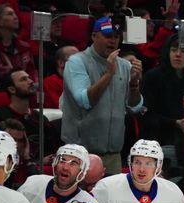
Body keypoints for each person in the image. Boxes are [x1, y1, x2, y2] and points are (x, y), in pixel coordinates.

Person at [61, 17, 144, 176]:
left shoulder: (125, 65)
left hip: (113, 155)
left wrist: (134, 84)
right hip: (81, 152)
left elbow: (134, 106)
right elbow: (85, 101)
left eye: (116, 36)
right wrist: (108, 74)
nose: (112, 41)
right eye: (107, 36)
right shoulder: (77, 62)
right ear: (93, 36)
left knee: (110, 200)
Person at [142, 35, 184, 174]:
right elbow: (146, 115)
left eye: (183, 51)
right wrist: (174, 123)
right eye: (174, 50)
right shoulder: (152, 77)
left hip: (182, 148)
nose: (178, 55)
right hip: (155, 144)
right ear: (167, 52)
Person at [0, 70, 60, 162]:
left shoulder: (40, 118)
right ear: (12, 89)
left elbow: (51, 152)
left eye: (29, 78)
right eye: (23, 79)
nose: (30, 81)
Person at [0, 4, 35, 87]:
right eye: (10, 14)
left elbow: (32, 73)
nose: (15, 17)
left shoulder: (24, 47)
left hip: (24, 91)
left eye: (15, 14)